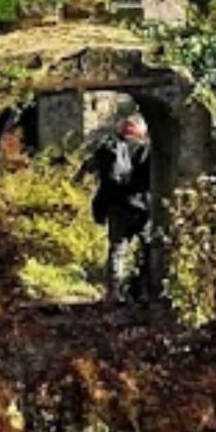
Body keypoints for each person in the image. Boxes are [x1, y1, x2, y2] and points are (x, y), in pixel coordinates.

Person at [76, 113, 156, 299]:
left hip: (117, 205)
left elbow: (88, 168)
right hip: (143, 206)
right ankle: (145, 290)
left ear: (122, 129)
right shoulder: (148, 149)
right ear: (141, 130)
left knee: (116, 249)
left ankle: (114, 292)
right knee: (148, 248)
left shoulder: (111, 147)